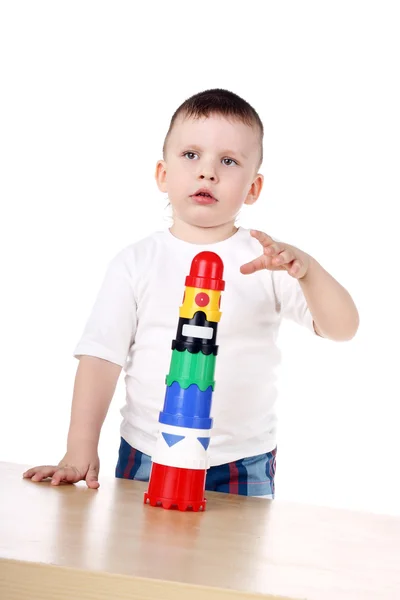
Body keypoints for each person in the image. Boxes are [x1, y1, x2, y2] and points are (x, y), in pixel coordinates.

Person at [23, 89, 359, 498]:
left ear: (253, 188)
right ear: (163, 174)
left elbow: (342, 328)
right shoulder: (136, 261)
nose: (208, 173)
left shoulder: (268, 260)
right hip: (148, 453)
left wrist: (309, 270)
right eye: (191, 155)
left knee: (229, 561)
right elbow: (100, 357)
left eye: (229, 161)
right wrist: (79, 449)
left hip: (240, 460)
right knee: (137, 558)